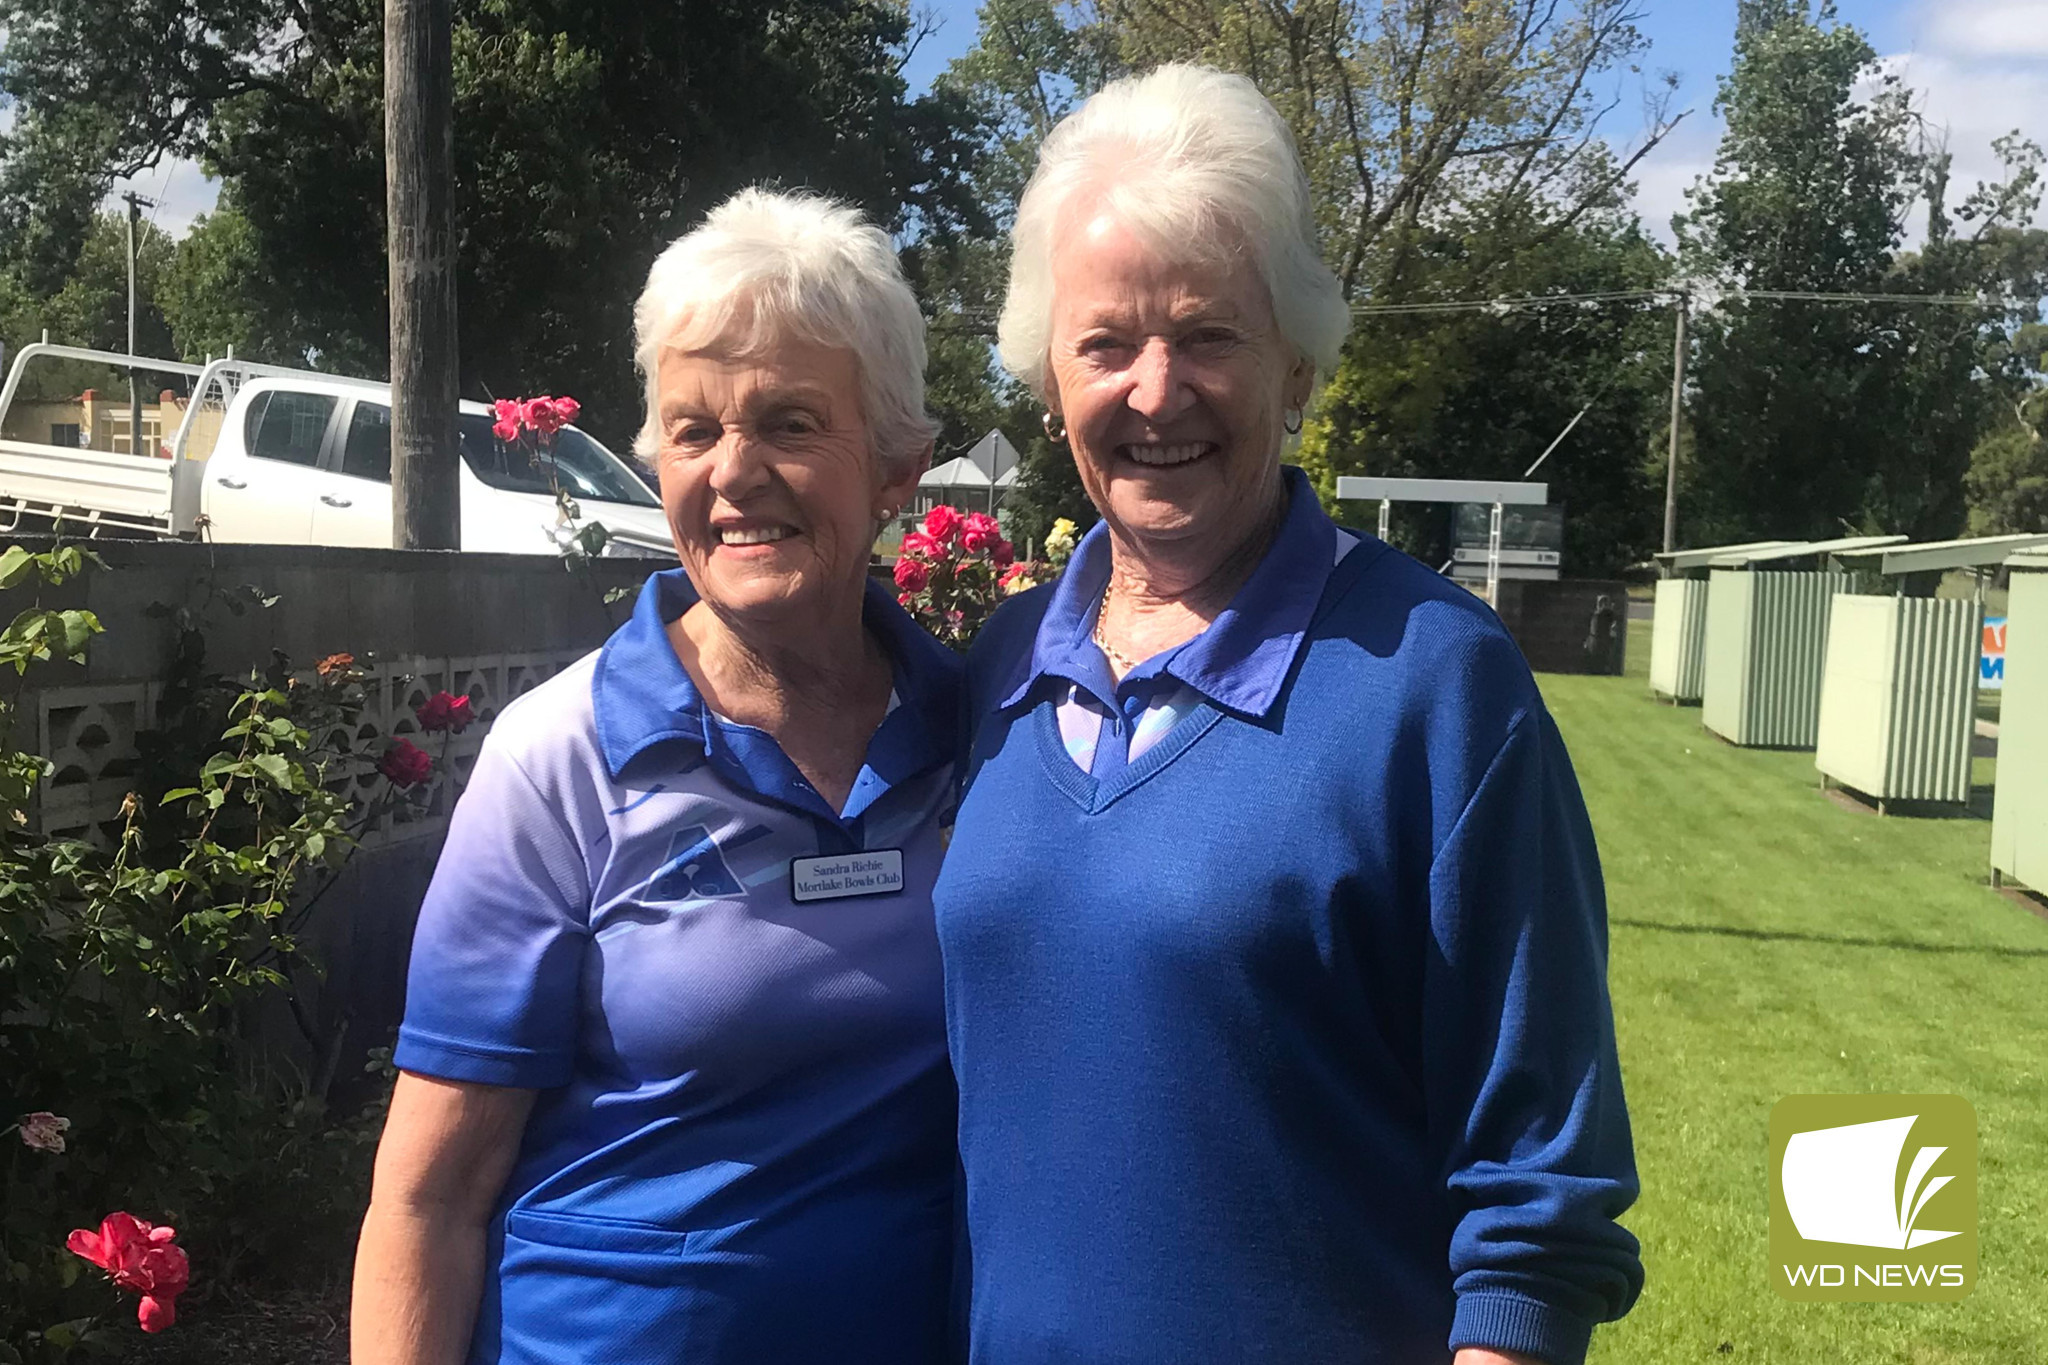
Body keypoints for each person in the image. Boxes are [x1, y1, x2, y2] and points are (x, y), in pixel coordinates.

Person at [935, 65, 1643, 1365]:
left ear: (1299, 365)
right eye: (1106, 343)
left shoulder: (1434, 684)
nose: (1156, 390)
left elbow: (1538, 1207)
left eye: (1208, 333)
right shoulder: (995, 671)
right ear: (1048, 377)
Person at [352, 188, 959, 1365]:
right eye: (691, 431)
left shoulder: (977, 731)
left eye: (789, 423)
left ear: (897, 468)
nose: (733, 474)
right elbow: (427, 1200)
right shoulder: (561, 757)